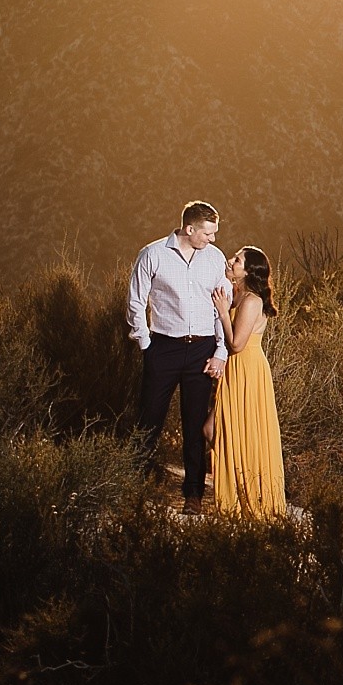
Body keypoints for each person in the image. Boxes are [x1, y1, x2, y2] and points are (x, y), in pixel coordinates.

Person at [127, 201, 230, 513]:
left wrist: (221, 351)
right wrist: (146, 343)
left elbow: (222, 307)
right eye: (208, 233)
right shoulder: (153, 254)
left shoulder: (215, 259)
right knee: (149, 421)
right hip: (163, 348)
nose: (213, 239)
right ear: (190, 229)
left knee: (195, 426)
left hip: (201, 350)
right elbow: (135, 299)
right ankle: (135, 490)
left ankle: (194, 496)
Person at [210, 243, 288, 518]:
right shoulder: (238, 295)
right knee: (220, 428)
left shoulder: (252, 300)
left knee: (237, 429)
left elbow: (237, 343)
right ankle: (236, 494)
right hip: (236, 369)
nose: (231, 261)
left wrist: (222, 311)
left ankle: (248, 498)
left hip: (247, 369)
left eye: (238, 260)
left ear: (248, 272)